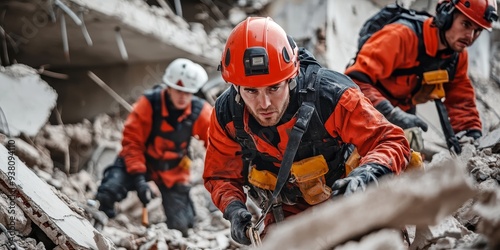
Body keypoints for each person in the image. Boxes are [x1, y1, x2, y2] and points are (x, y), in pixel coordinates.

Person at [202, 16, 411, 245]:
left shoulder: (330, 96)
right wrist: (233, 209)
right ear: (236, 87)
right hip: (287, 214)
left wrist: (366, 176)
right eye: (251, 91)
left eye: (274, 88)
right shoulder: (227, 114)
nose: (264, 104)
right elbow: (221, 174)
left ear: (290, 79)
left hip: (348, 200)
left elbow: (389, 139)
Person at [345, 0, 498, 145]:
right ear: (446, 16)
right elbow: (354, 81)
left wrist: (471, 134)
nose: (470, 37)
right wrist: (391, 114)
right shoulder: (401, 36)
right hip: (364, 112)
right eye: (466, 24)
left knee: (409, 161)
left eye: (477, 31)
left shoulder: (458, 57)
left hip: (403, 116)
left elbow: (461, 100)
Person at [95, 58, 212, 237]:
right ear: (168, 87)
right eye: (178, 90)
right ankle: (97, 225)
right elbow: (132, 143)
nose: (182, 96)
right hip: (140, 163)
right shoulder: (149, 104)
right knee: (109, 189)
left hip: (173, 170)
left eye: (187, 92)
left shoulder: (201, 112)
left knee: (182, 225)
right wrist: (140, 180)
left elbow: (217, 143)